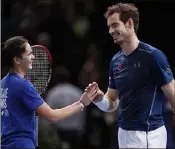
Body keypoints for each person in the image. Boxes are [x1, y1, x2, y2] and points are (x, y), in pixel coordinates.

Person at [85, 3, 175, 148]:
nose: (110, 31)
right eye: (109, 27)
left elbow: (173, 96)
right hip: (123, 134)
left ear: (129, 24)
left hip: (148, 136)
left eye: (115, 25)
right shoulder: (116, 61)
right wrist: (99, 99)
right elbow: (112, 103)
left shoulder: (153, 56)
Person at [1, 36, 98, 149]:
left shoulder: (3, 83)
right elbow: (53, 116)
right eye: (29, 54)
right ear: (17, 60)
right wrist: (81, 103)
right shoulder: (23, 85)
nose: (33, 57)